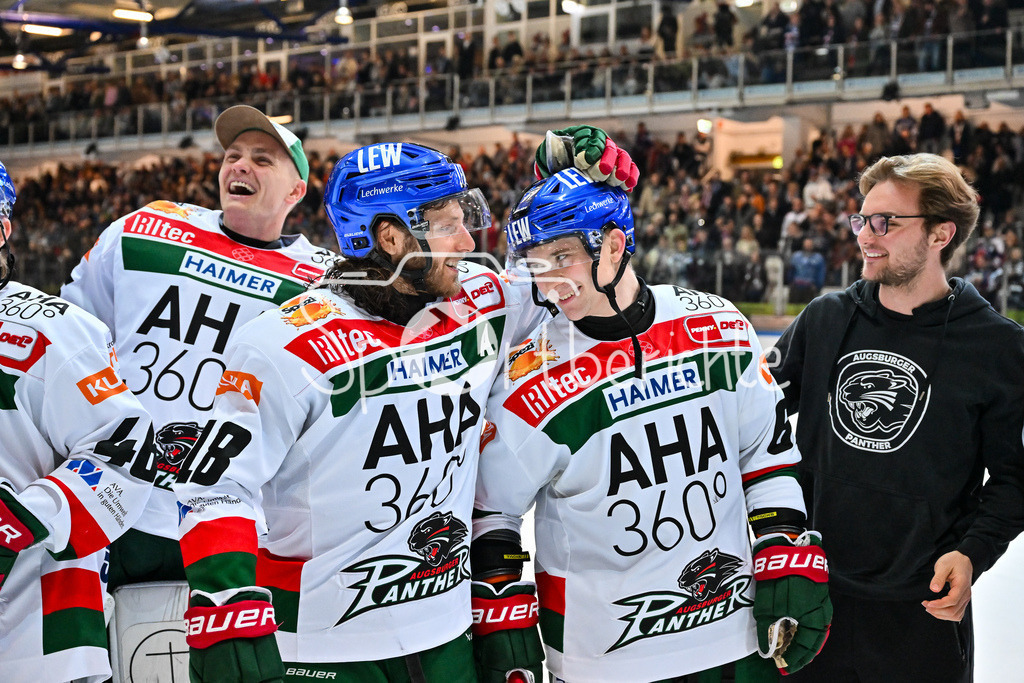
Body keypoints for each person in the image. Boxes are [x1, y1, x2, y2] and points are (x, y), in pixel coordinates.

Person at [172, 130, 638, 682]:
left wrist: (581, 198)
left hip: (448, 636)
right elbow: (214, 483)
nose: (467, 243)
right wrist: (226, 606)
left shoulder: (481, 301)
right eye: (447, 226)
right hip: (324, 652)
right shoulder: (282, 344)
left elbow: (581, 281)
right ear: (391, 238)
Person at [471, 168, 832, 682]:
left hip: (734, 636)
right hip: (604, 655)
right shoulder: (530, 373)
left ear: (615, 246)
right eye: (535, 263)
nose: (546, 280)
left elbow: (765, 451)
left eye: (562, 258)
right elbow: (491, 510)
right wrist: (502, 623)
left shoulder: (717, 325)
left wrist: (786, 549)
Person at [771, 153, 1024, 682]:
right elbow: (750, 420)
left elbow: (1012, 480)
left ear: (940, 234)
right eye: (862, 220)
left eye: (886, 222)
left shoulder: (997, 347)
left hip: (923, 612)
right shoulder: (825, 319)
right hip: (814, 596)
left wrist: (972, 555)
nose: (866, 235)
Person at [61, 105, 336, 591]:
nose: (240, 165)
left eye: (262, 159)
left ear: (296, 191)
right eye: (232, 155)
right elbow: (70, 335)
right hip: (109, 499)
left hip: (232, 519)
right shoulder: (143, 231)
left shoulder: (322, 285)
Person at [0, 159, 156, 681]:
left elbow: (128, 453)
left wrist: (27, 516)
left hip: (38, 639)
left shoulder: (55, 332)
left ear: (3, 227)